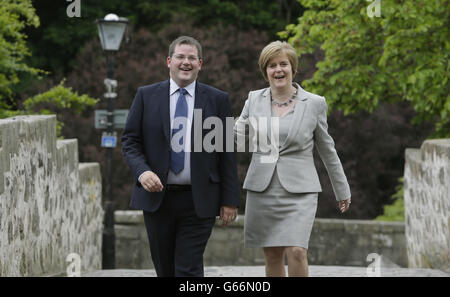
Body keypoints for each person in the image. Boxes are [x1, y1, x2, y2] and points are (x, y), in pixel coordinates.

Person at [122, 36, 239, 277]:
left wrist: (230, 199)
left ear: (200, 64)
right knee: (165, 270)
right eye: (180, 57)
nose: (186, 62)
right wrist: (142, 172)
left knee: (188, 269)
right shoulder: (146, 96)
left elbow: (226, 152)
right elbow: (130, 142)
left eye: (192, 58)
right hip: (158, 200)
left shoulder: (217, 100)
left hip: (199, 200)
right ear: (169, 61)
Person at [234, 41, 351, 277]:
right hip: (262, 189)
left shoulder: (315, 104)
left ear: (293, 68)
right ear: (265, 71)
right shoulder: (253, 99)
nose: (278, 70)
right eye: (272, 65)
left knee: (297, 250)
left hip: (300, 191)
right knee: (273, 254)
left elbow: (328, 150)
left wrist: (342, 189)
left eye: (283, 64)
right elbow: (234, 139)